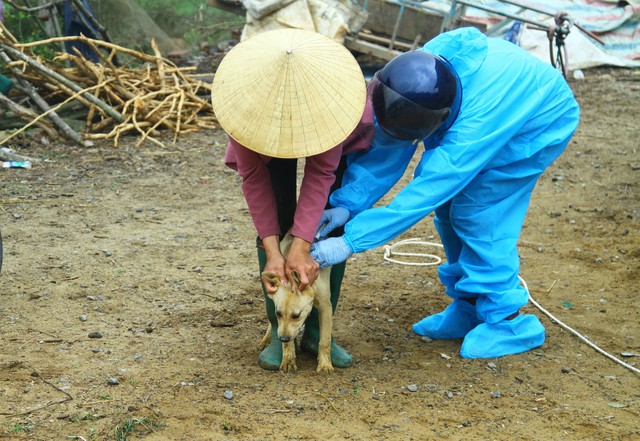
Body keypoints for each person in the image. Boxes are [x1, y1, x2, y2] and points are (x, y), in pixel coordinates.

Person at [311, 27, 580, 359]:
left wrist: (350, 240)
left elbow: (426, 192)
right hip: (496, 98)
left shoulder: (471, 127)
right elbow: (391, 144)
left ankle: (506, 320)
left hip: (539, 119)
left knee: (477, 211)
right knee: (449, 211)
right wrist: (347, 205)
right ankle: (468, 307)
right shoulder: (416, 78)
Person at [211, 28, 374, 370]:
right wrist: (275, 251)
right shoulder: (247, 109)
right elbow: (255, 180)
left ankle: (314, 329)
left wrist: (301, 246)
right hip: (261, 126)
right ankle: (277, 328)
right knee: (278, 207)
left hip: (328, 121)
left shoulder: (333, 108)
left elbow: (320, 176)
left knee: (328, 221)